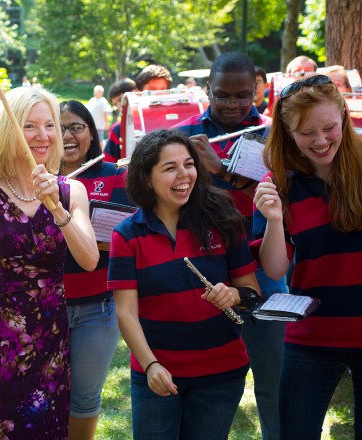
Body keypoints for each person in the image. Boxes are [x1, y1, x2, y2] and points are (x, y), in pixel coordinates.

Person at [0, 86, 99, 439]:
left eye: (50, 125)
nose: (43, 136)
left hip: (49, 339)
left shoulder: (71, 191)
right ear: (11, 131)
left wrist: (56, 206)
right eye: (30, 126)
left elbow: (89, 260)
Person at [109, 129, 260, 440]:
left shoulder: (222, 219)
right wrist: (150, 365)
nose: (184, 175)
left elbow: (252, 294)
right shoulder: (126, 235)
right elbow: (125, 312)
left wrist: (232, 295)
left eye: (189, 164)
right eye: (170, 168)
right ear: (146, 177)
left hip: (221, 372)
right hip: (157, 374)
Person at [174, 52, 288, 440]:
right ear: (208, 90)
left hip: (262, 268)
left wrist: (222, 171)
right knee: (208, 380)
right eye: (223, 95)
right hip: (204, 274)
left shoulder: (275, 134)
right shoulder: (185, 135)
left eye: (243, 95)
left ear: (256, 90)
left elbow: (281, 193)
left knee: (274, 378)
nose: (234, 104)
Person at [253, 74, 362, 439]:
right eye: (306, 134)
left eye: (329, 128)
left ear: (344, 117)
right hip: (312, 335)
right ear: (288, 134)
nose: (320, 141)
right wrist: (273, 219)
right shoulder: (278, 182)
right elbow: (274, 267)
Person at [59, 100, 131, 440]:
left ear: (91, 131)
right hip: (45, 305)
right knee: (43, 393)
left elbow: (124, 240)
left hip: (98, 307)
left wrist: (77, 234)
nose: (67, 135)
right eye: (58, 128)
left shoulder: (114, 174)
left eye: (76, 126)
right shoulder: (33, 181)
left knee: (84, 398)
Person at [103, 78, 137, 163]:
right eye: (115, 104)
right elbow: (109, 163)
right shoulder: (117, 129)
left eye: (121, 99)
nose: (119, 106)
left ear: (135, 92)